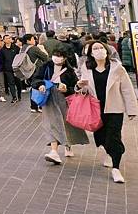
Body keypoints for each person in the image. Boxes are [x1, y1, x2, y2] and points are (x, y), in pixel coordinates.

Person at [78, 41, 138, 183]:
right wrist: (79, 86)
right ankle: (109, 152)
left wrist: (132, 109)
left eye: (101, 48)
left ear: (106, 50)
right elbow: (83, 90)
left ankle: (116, 168)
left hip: (114, 109)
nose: (99, 51)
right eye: (95, 49)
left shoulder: (117, 68)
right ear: (91, 53)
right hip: (95, 109)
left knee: (114, 136)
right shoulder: (86, 68)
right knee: (101, 137)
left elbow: (127, 90)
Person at [32, 50, 89, 165]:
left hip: (64, 98)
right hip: (48, 97)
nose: (57, 58)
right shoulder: (46, 66)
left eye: (60, 56)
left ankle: (68, 146)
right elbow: (35, 79)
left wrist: (67, 89)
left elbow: (74, 86)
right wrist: (40, 85)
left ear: (64, 58)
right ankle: (54, 152)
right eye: (55, 55)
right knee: (52, 122)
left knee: (66, 122)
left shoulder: (69, 70)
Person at [21, 34, 49, 113]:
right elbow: (45, 57)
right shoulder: (34, 48)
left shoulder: (23, 48)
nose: (34, 40)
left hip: (28, 71)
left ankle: (33, 107)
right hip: (36, 70)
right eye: (33, 39)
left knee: (33, 88)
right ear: (28, 40)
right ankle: (40, 106)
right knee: (39, 87)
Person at [1, 35, 20, 103]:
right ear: (4, 40)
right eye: (6, 38)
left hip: (16, 68)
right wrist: (3, 69)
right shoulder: (2, 50)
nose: (8, 39)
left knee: (18, 82)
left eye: (9, 38)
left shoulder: (16, 48)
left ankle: (19, 95)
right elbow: (2, 60)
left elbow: (19, 57)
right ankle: (14, 97)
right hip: (8, 69)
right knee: (11, 83)